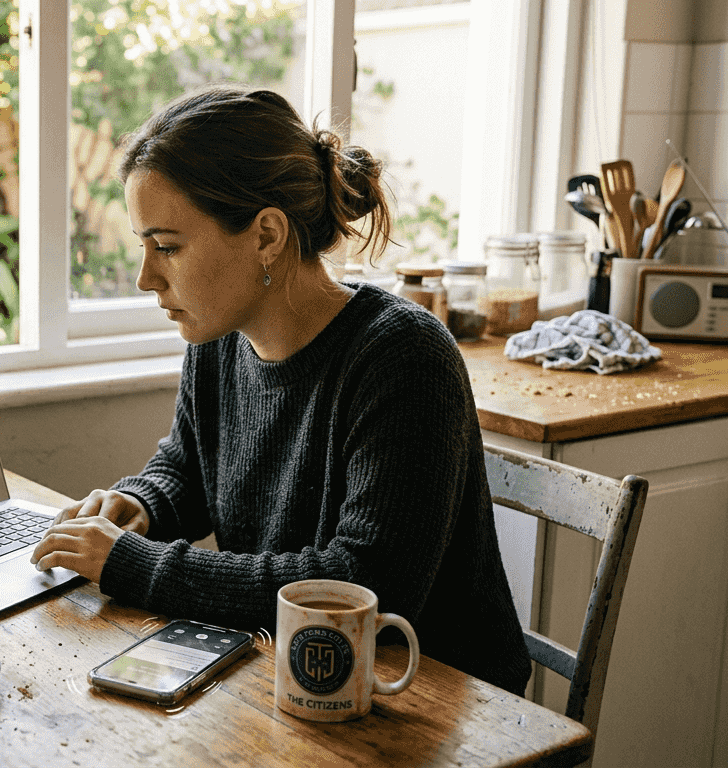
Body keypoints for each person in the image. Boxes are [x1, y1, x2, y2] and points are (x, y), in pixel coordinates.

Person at [29, 85, 532, 695]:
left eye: (167, 247)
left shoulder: (403, 357)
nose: (145, 277)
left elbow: (362, 584)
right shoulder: (219, 338)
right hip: (296, 675)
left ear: (267, 235)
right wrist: (142, 505)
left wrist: (138, 566)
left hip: (431, 700)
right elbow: (189, 468)